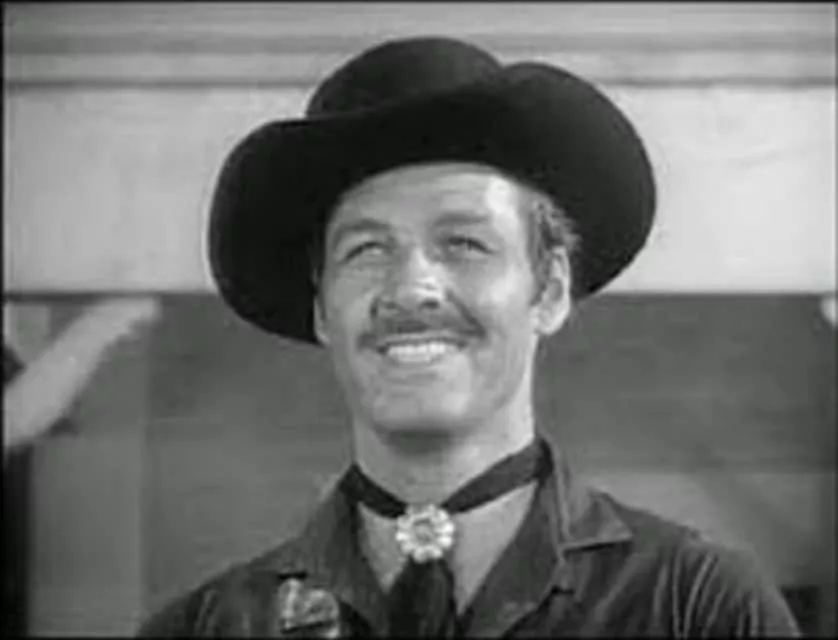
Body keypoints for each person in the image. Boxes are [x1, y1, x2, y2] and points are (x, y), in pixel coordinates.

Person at [139, 37, 800, 637]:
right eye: (367, 249)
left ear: (550, 289)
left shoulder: (699, 608)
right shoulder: (203, 628)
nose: (411, 287)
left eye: (463, 242)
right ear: (322, 309)